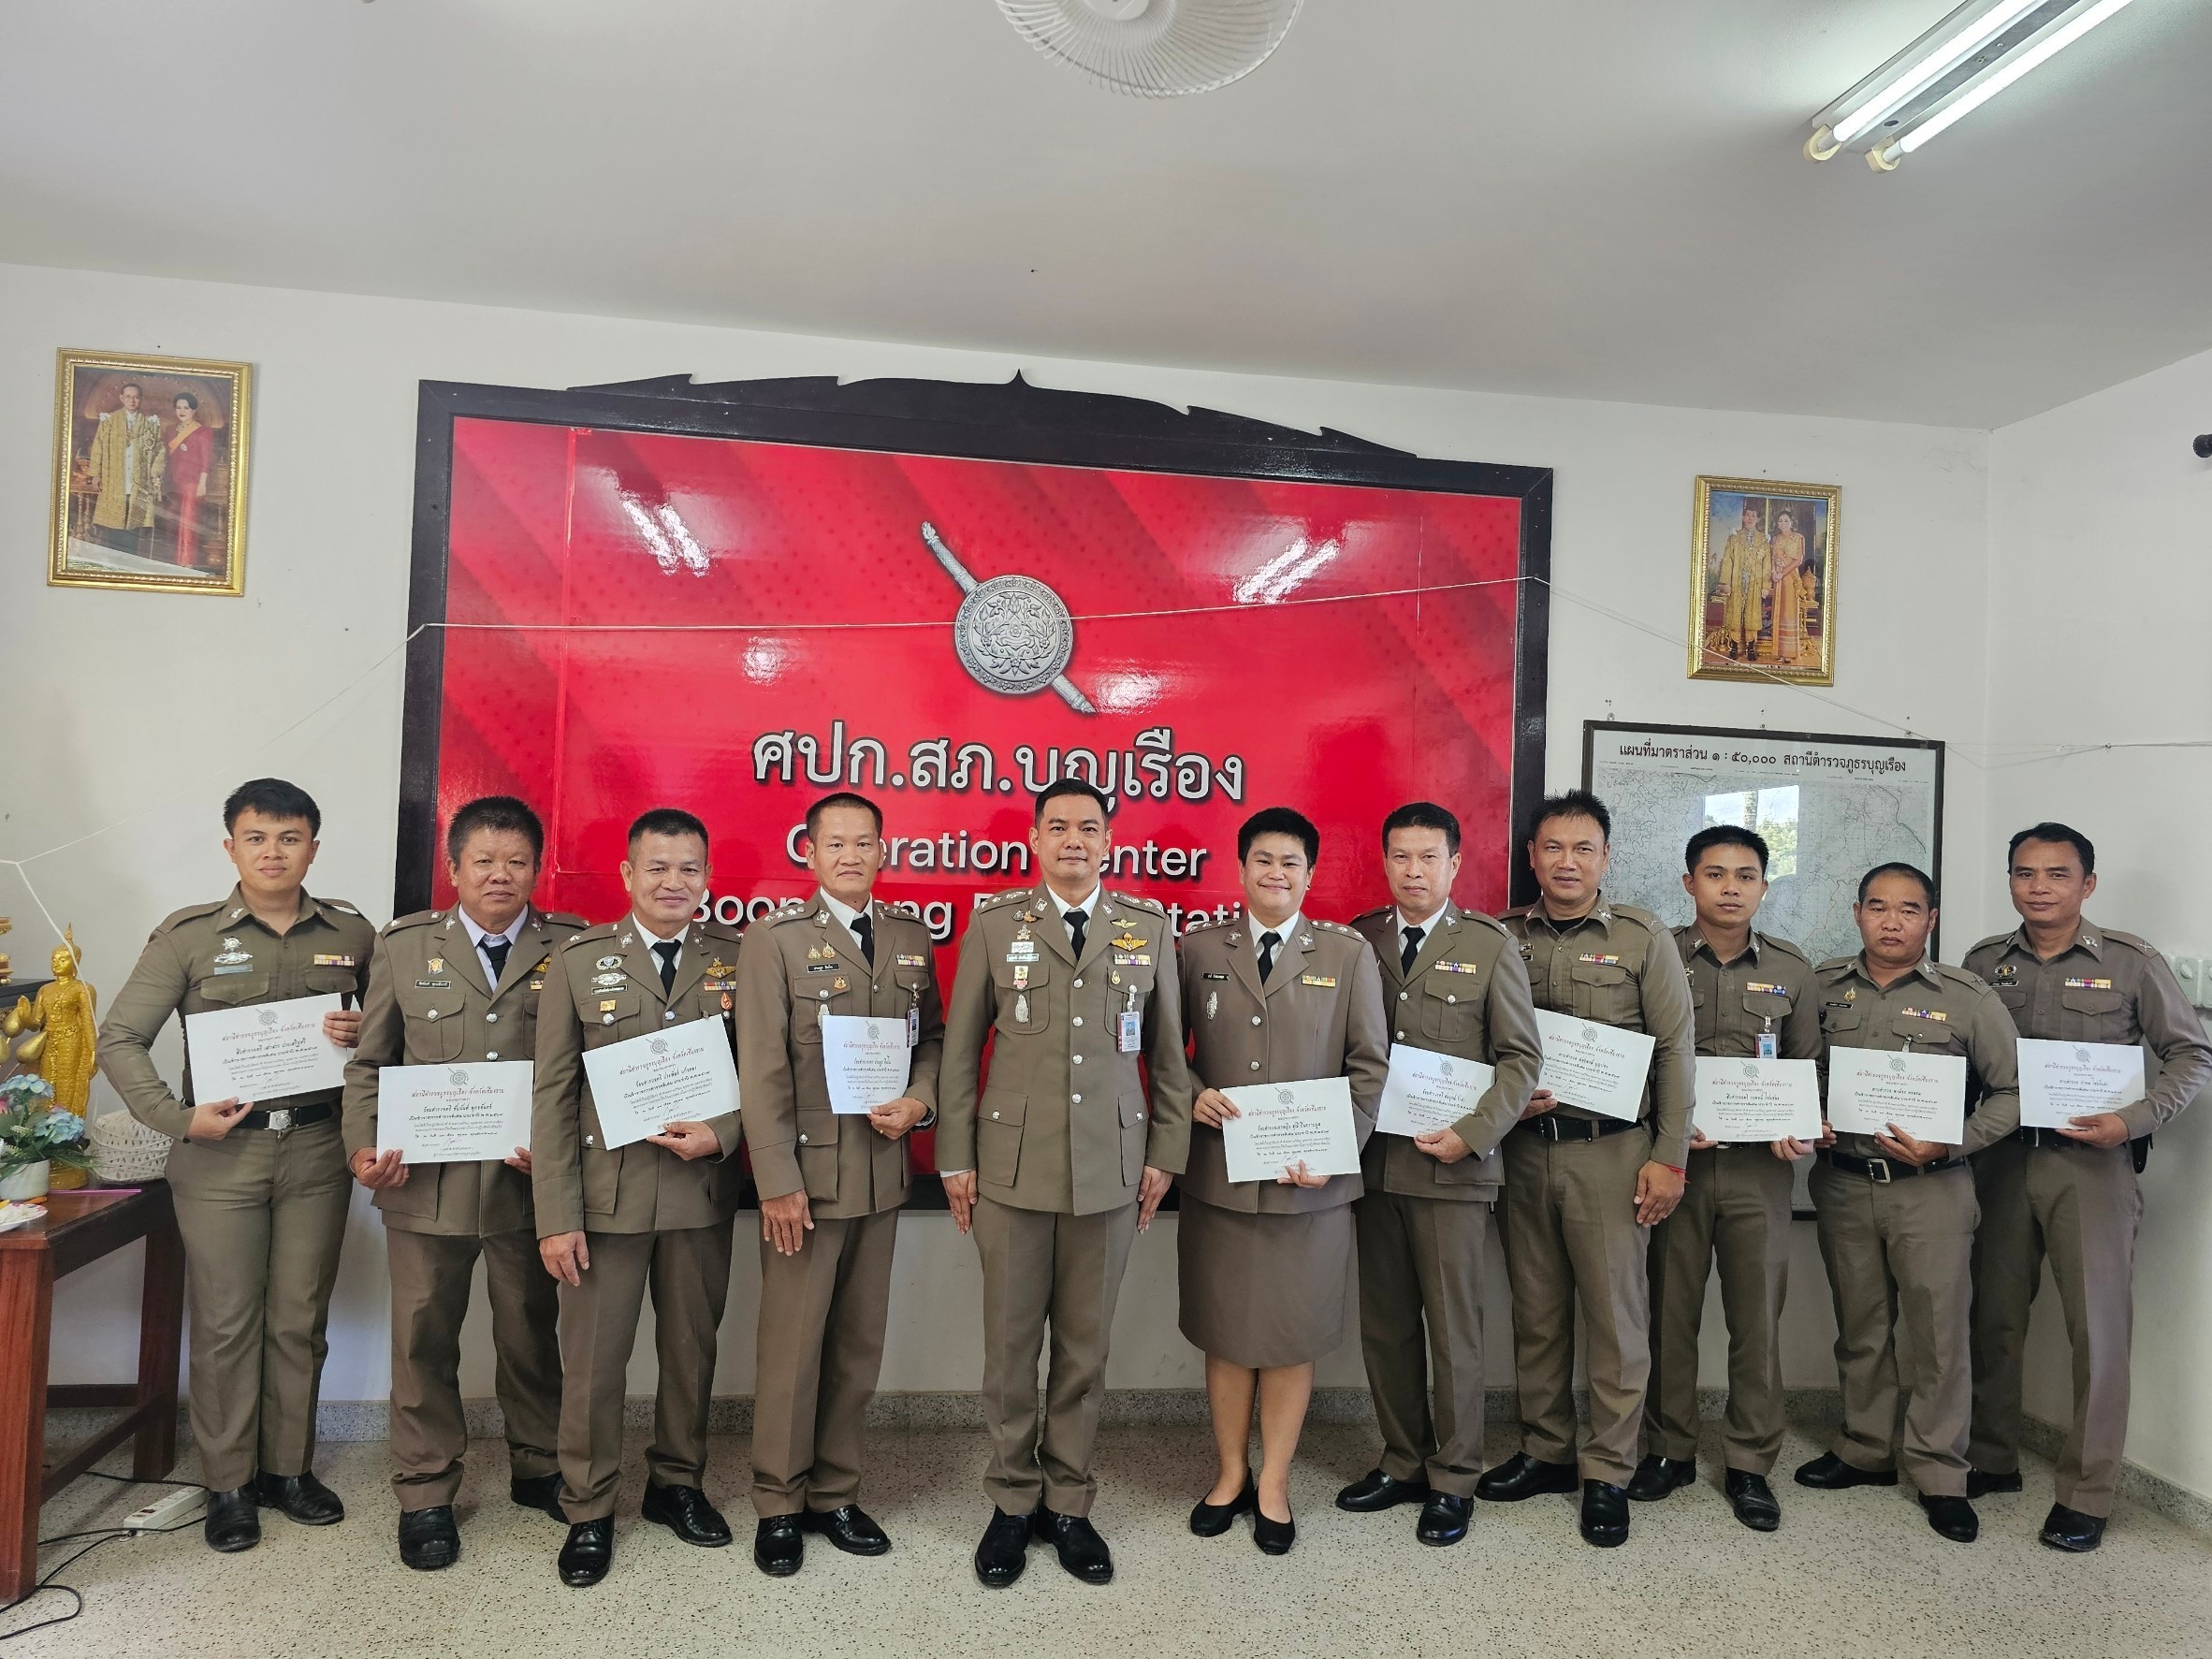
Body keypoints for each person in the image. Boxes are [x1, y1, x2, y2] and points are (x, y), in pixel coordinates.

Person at [95, 779, 372, 1553]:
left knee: (299, 1318)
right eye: (256, 837)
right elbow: (119, 1037)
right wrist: (177, 1118)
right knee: (225, 1322)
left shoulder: (353, 933)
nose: (272, 852)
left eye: (289, 837)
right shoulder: (188, 936)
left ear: (313, 847)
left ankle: (288, 1470)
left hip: (317, 1147)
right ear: (231, 847)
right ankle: (228, 1483)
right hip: (222, 1155)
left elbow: (395, 1033)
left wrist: (363, 1031)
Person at [937, 779, 1194, 1588]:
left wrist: (1165, 1153)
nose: (1074, 839)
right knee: (1011, 1353)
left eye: (1089, 827)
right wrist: (954, 1158)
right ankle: (1013, 1501)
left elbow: (1170, 1058)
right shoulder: (994, 924)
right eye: (1058, 827)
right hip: (1011, 1172)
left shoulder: (1148, 928)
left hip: (1111, 1172)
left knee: (1085, 1351)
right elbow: (959, 1053)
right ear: (1035, 839)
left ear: (1109, 841)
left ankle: (1070, 1502)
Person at [342, 796, 581, 1570]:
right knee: (422, 1340)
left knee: (530, 1333)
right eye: (483, 860)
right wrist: (363, 1148)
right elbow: (371, 1063)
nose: (499, 874)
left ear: (537, 868)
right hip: (425, 1185)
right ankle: (425, 1491)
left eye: (516, 861)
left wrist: (562, 1153)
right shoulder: (405, 945)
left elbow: (583, 1070)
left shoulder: (572, 946)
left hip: (526, 1186)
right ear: (453, 867)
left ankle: (539, 1466)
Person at [1962, 823, 2212, 1552]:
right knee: (1992, 1316)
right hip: (2002, 1160)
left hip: (2092, 1167)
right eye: (2025, 872)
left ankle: (2087, 1492)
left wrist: (2133, 1119)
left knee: (2096, 1332)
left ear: (2087, 884)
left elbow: (2191, 1053)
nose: (2039, 886)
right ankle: (1990, 1455)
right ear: (2011, 880)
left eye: (2057, 873)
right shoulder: (1983, 962)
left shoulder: (2132, 962)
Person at [531, 808, 745, 1588]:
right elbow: (552, 1095)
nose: (672, 881)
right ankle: (588, 1506)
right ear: (627, 874)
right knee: (593, 1361)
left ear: (707, 877)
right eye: (657, 866)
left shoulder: (736, 958)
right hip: (605, 1200)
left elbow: (768, 1076)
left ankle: (676, 1484)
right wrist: (556, 1216)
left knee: (690, 1351)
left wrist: (724, 1133)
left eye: (689, 867)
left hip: (699, 1193)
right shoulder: (580, 960)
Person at [736, 792, 945, 1578]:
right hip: (808, 1182)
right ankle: (778, 1502)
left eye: (865, 843)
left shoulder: (910, 937)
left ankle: (836, 1493)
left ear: (883, 851)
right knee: (792, 1351)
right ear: (811, 852)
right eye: (836, 843)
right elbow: (761, 1067)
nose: (851, 855)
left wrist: (920, 1098)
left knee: (857, 1349)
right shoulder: (776, 939)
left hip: (882, 1176)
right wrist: (775, 1179)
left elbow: (933, 1038)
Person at [1482, 790, 1694, 1549]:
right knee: (1536, 1311)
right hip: (1523, 1150)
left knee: (1615, 1317)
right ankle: (1547, 1450)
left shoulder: (1642, 936)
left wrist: (1669, 1155)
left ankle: (1607, 1469)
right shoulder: (1500, 935)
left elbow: (1675, 1049)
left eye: (1583, 848)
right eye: (1552, 847)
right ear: (1532, 856)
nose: (1566, 862)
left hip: (1613, 1152)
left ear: (1606, 857)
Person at [1177, 808, 1389, 1556]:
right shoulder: (1198, 948)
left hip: (1310, 1186)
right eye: (1262, 859)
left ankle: (1274, 1481)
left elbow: (1370, 1066)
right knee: (1227, 1332)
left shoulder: (1347, 953)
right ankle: (1230, 1473)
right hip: (1221, 1180)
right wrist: (1192, 1092)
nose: (1275, 872)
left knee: (1293, 1336)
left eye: (1290, 861)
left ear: (1310, 872)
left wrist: (1340, 1147)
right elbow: (1167, 1052)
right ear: (1241, 868)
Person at [1796, 863, 2020, 1544]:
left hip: (1932, 1190)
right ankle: (1865, 1448)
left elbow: (2012, 1092)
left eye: (1908, 909)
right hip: (1843, 1180)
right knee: (1861, 1326)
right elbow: (1795, 1069)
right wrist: (1805, 1116)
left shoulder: (1967, 996)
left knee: (1937, 1336)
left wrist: (1951, 1143)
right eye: (1878, 907)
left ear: (1931, 919)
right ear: (1857, 912)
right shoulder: (1820, 986)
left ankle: (1940, 1472)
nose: (1891, 922)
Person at [1339, 801, 1541, 1548]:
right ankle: (1403, 1460)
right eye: (1401, 856)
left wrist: (1474, 1134)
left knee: (1455, 1329)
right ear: (1384, 861)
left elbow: (1521, 1058)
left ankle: (1455, 1477)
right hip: (1373, 1166)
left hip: (1452, 1168)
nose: (1414, 870)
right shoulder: (1359, 939)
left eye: (1429, 857)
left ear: (1455, 864)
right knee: (1387, 1326)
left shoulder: (1488, 944)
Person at [1632, 826, 1820, 1531]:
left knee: (1756, 1321)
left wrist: (1798, 1123)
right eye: (1714, 874)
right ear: (1689, 883)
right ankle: (1669, 1449)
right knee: (1667, 1312)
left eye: (1746, 875)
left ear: (1764, 887)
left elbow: (1807, 1067)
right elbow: (1638, 1058)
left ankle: (1749, 1462)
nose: (1730, 887)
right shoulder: (1656, 955)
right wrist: (1667, 1126)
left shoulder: (1793, 969)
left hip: (1758, 1172)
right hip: (1674, 1167)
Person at [83, 381, 165, 557]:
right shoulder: (109, 421)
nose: (132, 401)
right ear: (122, 398)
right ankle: (113, 560)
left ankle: (130, 560)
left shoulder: (150, 423)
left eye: (136, 397)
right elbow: (98, 448)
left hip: (138, 482)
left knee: (133, 524)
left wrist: (154, 475)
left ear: (141, 399)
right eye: (128, 397)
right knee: (113, 523)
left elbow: (159, 452)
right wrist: (96, 474)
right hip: (114, 480)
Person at [163, 390, 216, 569]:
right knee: (174, 523)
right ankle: (176, 561)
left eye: (186, 408)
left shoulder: (203, 432)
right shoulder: (170, 430)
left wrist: (202, 483)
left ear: (194, 410)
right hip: (173, 484)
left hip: (192, 484)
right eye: (179, 407)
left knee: (189, 522)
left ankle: (188, 562)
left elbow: (206, 460)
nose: (182, 411)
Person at [1712, 500, 1767, 662]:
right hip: (1737, 583)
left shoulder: (1763, 540)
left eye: (1753, 516)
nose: (1750, 518)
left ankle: (1751, 648)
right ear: (1743, 518)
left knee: (1752, 615)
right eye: (1747, 515)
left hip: (1754, 584)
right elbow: (1727, 560)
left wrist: (1765, 586)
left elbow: (1767, 565)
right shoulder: (1734, 538)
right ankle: (1734, 647)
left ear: (1757, 519)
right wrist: (1726, 583)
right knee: (1735, 614)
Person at [1767, 506, 1812, 665]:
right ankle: (1779, 651)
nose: (1783, 523)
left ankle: (1789, 653)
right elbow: (1773, 558)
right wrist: (1774, 572)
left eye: (1786, 520)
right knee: (1778, 613)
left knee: (1789, 613)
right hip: (1778, 580)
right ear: (1777, 523)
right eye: (1780, 521)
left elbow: (1798, 560)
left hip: (1790, 579)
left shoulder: (1798, 538)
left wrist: (1782, 573)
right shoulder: (1775, 539)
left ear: (1791, 522)